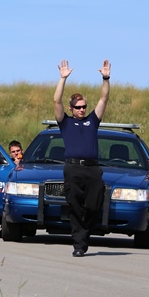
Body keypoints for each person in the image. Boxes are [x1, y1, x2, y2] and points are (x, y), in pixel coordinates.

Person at [54, 59, 110, 257]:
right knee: (75, 206)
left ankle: (83, 235)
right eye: (78, 107)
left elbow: (103, 100)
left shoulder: (92, 121)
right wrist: (62, 79)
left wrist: (105, 78)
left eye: (84, 106)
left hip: (92, 169)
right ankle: (79, 245)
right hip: (73, 169)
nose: (82, 110)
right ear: (71, 109)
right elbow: (56, 101)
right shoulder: (65, 122)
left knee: (93, 205)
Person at [0, 140, 24, 238]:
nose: (16, 153)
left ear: (22, 150)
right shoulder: (7, 164)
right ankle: (3, 228)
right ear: (10, 153)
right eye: (13, 152)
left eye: (18, 151)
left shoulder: (28, 161)